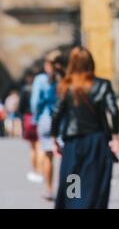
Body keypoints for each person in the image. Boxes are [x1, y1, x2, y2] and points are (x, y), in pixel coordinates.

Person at [51, 46, 119, 209]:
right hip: (97, 142)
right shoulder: (103, 85)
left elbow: (56, 113)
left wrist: (54, 138)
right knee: (94, 182)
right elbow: (114, 110)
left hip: (73, 143)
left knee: (72, 180)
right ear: (91, 63)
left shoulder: (65, 86)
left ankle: (72, 205)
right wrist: (115, 137)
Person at [30, 50, 61, 200]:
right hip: (65, 120)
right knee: (70, 158)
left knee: (48, 156)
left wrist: (35, 118)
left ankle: (49, 190)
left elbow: (35, 102)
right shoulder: (65, 79)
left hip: (46, 119)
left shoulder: (40, 80)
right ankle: (73, 192)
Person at [20, 71, 43, 183]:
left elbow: (21, 108)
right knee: (39, 146)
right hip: (39, 118)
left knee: (32, 147)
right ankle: (40, 171)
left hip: (28, 119)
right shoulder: (41, 87)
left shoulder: (25, 90)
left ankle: (34, 171)